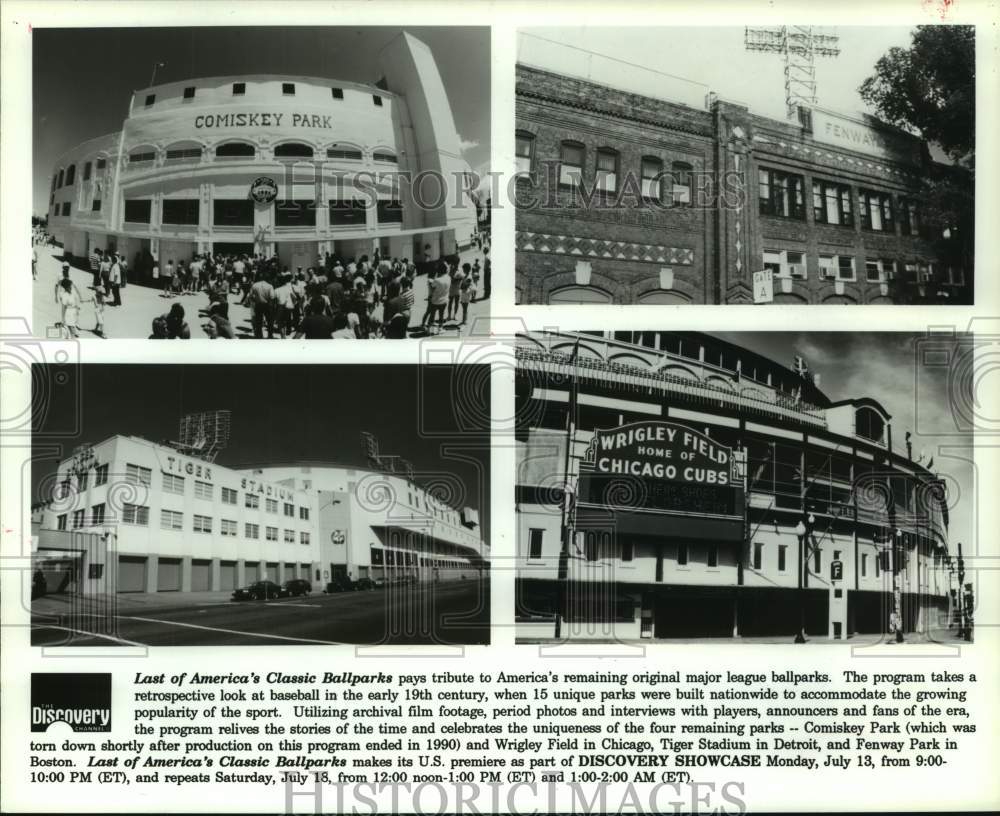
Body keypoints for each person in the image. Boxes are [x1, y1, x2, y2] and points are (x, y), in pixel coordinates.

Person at [248, 271, 276, 339]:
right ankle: (270, 335)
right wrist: (271, 306)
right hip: (267, 305)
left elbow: (250, 296)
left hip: (258, 305)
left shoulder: (255, 285)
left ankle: (259, 335)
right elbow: (272, 297)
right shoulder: (269, 286)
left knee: (259, 322)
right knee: (269, 321)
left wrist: (255, 300)